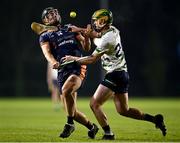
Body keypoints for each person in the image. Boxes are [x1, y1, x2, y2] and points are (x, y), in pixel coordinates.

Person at [61, 9, 167, 140]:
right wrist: (79, 29)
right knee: (124, 111)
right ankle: (155, 119)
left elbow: (92, 59)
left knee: (94, 104)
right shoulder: (113, 30)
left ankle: (108, 134)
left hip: (114, 74)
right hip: (123, 74)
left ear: (104, 21)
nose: (95, 23)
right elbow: (96, 34)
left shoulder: (107, 39)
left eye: (97, 20)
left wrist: (74, 59)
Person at [39, 7, 99, 138]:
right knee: (72, 111)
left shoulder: (70, 28)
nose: (54, 15)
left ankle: (69, 124)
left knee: (66, 91)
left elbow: (86, 47)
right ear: (45, 20)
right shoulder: (45, 36)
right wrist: (53, 61)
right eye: (50, 14)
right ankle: (92, 127)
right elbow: (47, 53)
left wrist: (87, 37)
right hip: (62, 71)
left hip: (77, 67)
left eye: (55, 13)